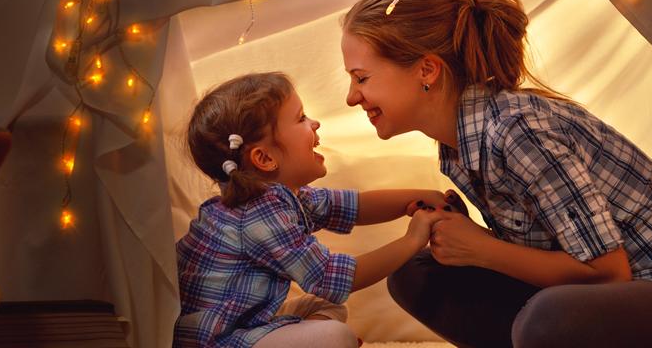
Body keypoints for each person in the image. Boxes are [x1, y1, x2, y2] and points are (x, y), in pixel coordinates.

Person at [340, 0, 652, 347]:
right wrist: (463, 237)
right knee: (416, 274)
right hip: (603, 305)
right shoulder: (458, 146)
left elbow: (608, 272)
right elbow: (549, 248)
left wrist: (481, 249)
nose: (351, 98)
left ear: (426, 70)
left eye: (361, 78)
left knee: (547, 320)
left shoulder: (518, 131)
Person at [174, 72, 456, 348]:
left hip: (245, 324)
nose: (315, 123)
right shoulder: (257, 215)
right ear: (264, 158)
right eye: (301, 118)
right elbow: (330, 277)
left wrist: (421, 196)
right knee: (335, 336)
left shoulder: (280, 198)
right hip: (219, 340)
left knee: (325, 307)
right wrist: (412, 240)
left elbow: (356, 207)